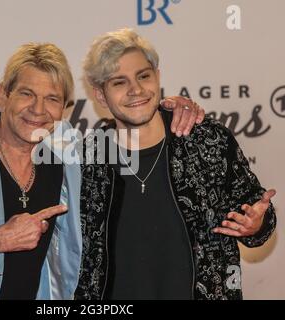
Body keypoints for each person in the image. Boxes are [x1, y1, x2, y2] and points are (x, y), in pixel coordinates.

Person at [0, 42, 201, 300]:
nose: (38, 109)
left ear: (63, 109)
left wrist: (169, 108)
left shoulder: (68, 159)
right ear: (3, 95)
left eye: (52, 99)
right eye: (27, 93)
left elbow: (139, 139)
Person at [74, 28, 276, 300]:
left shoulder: (207, 140)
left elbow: (256, 215)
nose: (136, 90)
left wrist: (257, 224)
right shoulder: (86, 160)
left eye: (143, 76)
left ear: (157, 76)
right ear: (100, 95)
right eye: (119, 82)